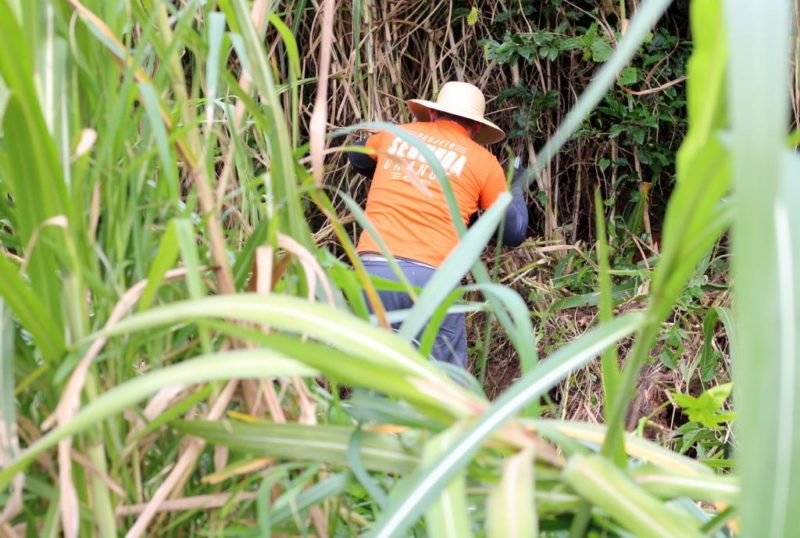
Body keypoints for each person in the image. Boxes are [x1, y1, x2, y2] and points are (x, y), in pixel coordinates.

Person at [347, 81, 528, 368]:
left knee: (373, 375)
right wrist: (515, 183)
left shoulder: (396, 135)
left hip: (371, 271)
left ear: (432, 114)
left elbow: (356, 156)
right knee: (445, 384)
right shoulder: (483, 161)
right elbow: (514, 231)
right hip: (432, 279)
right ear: (477, 128)